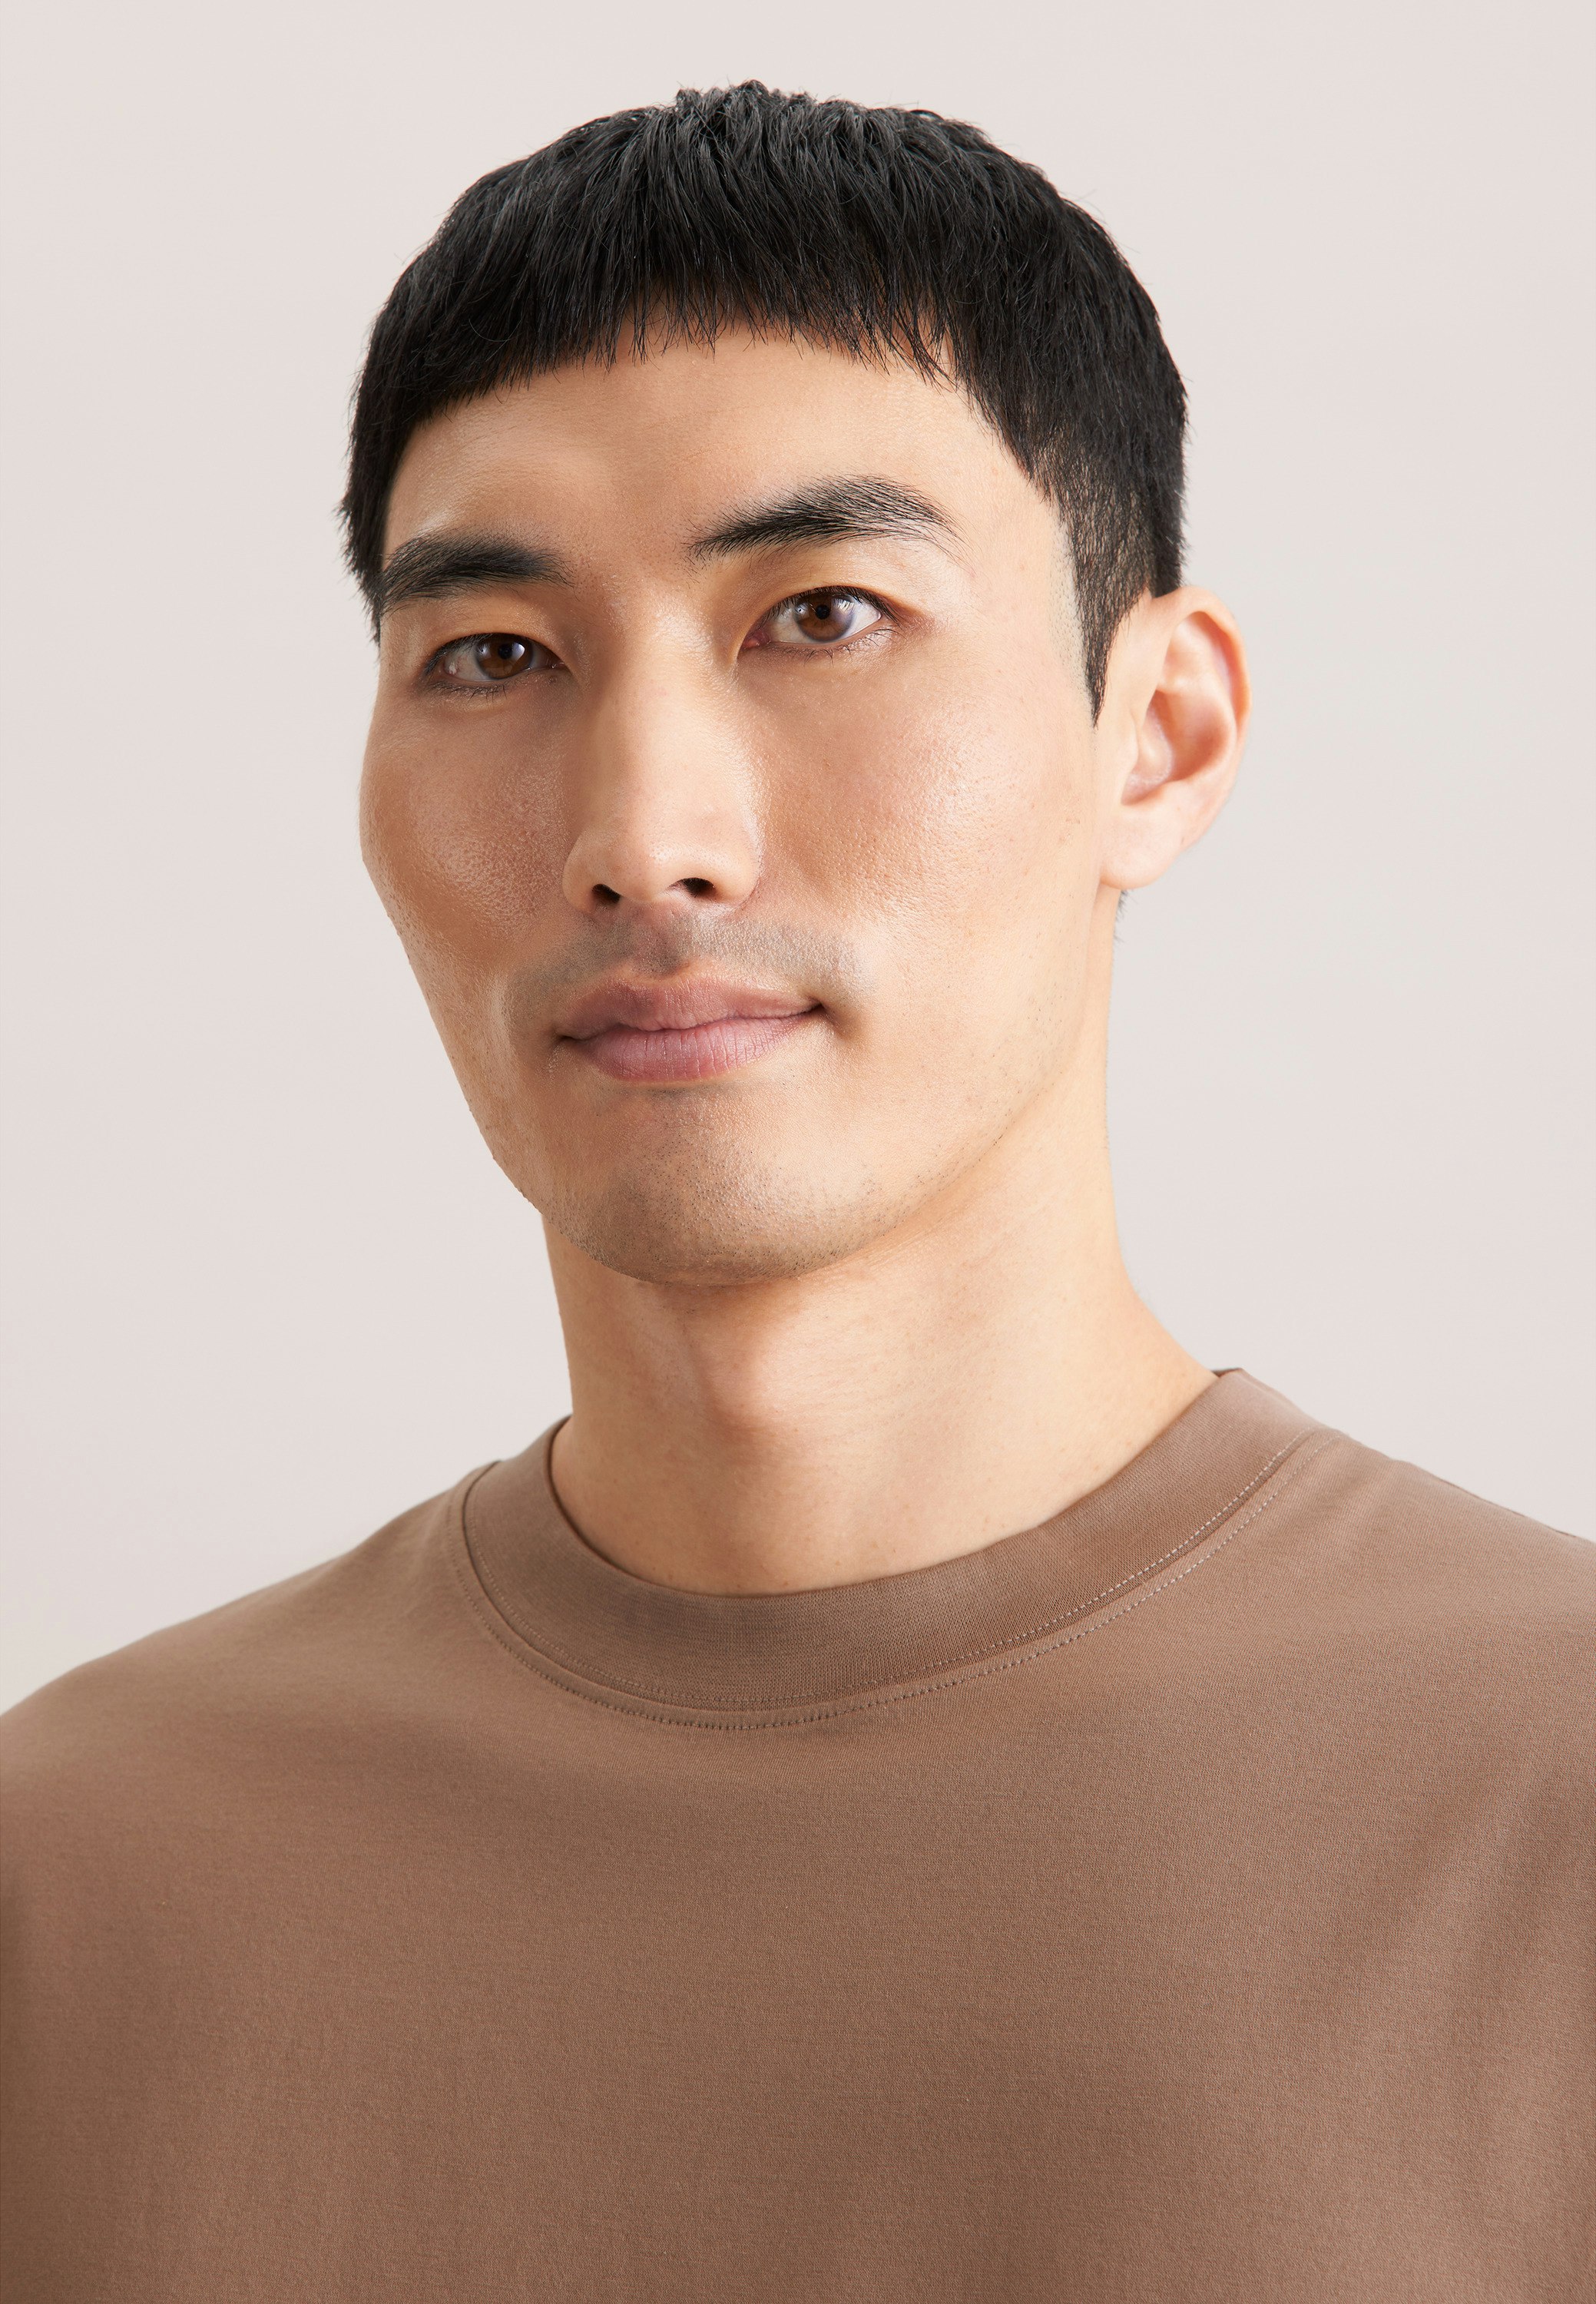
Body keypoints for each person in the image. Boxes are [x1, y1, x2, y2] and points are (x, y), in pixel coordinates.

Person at [2, 82, 1589, 2303]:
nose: (644, 836)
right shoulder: (74, 1881)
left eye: (824, 614)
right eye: (493, 656)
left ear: (1159, 736)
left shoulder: (1546, 1802)